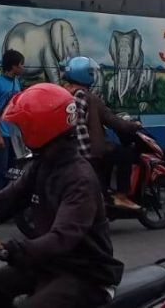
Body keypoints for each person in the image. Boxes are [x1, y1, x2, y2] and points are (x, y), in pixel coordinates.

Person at [0, 82, 123, 308]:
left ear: (41, 128)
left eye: (24, 127)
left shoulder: (79, 179)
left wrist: (5, 248)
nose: (20, 134)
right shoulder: (42, 166)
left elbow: (61, 238)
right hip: (45, 265)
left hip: (84, 274)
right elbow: (6, 200)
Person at [59, 56, 142, 211]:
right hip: (90, 150)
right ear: (84, 74)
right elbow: (110, 120)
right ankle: (121, 196)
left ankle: (104, 196)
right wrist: (133, 126)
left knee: (111, 155)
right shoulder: (83, 95)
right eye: (90, 72)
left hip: (70, 147)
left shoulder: (65, 93)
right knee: (125, 154)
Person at [0, 49, 24, 193]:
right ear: (13, 66)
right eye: (21, 65)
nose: (23, 68)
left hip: (14, 135)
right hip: (2, 134)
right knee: (0, 171)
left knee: (14, 171)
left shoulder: (16, 82)